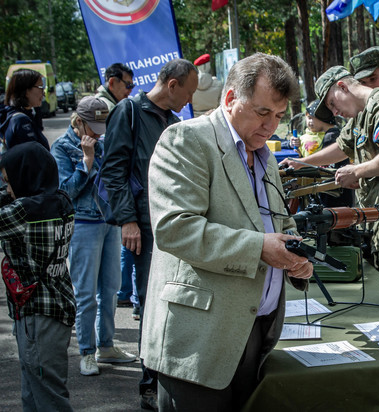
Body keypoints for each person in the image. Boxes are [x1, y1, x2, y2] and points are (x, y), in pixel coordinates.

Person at [141, 52, 312, 411]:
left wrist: (299, 257)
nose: (270, 127)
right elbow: (175, 229)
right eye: (263, 112)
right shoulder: (186, 140)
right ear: (231, 98)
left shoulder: (263, 153)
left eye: (279, 117)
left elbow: (279, 222)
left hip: (254, 329)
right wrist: (259, 248)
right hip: (199, 341)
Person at [100, 58, 199, 410]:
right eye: (187, 93)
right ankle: (150, 383)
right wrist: (127, 220)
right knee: (151, 304)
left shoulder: (174, 123)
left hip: (176, 227)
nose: (188, 102)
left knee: (174, 303)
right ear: (172, 85)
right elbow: (113, 171)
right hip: (144, 227)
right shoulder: (127, 112)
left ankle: (170, 378)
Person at [280, 66, 379, 290]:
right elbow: (342, 147)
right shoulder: (361, 113)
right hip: (378, 222)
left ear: (343, 87)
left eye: (332, 104)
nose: (335, 113)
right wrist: (303, 163)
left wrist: (357, 171)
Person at [50, 96, 136, 376]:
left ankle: (107, 346)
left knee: (110, 290)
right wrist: (85, 163)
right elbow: (64, 193)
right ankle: (86, 352)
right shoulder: (62, 148)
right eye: (94, 126)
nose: (99, 132)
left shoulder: (103, 141)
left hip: (108, 222)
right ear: (79, 121)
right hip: (83, 225)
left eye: (102, 126)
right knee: (86, 294)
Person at [0, 141, 76, 411]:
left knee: (47, 398)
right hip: (58, 307)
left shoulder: (22, 212)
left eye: (10, 181)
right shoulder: (61, 201)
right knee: (35, 392)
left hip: (37, 314)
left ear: (25, 176)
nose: (8, 189)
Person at [95, 62, 139, 318]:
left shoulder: (115, 105)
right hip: (108, 201)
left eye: (133, 85)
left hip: (112, 200)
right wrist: (126, 215)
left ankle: (124, 293)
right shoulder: (108, 108)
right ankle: (125, 293)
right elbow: (113, 167)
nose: (130, 91)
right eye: (127, 85)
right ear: (112, 82)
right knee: (127, 246)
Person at [0, 69, 50, 151]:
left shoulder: (16, 115)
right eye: (41, 87)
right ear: (26, 91)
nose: (43, 92)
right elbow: (33, 157)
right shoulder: (21, 120)